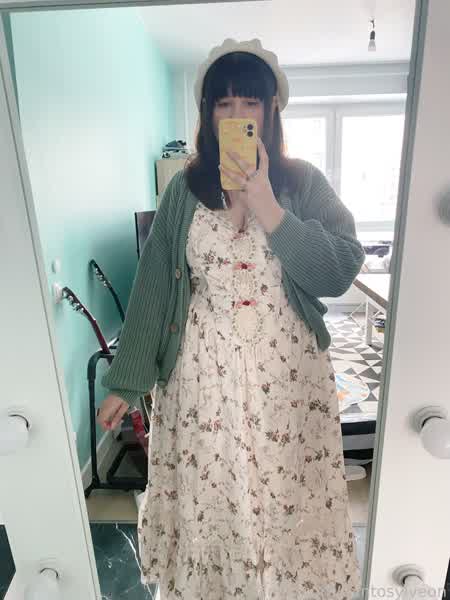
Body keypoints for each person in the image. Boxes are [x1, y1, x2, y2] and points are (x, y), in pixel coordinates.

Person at [98, 38, 365, 600]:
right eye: (224, 103)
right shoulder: (183, 190)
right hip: (201, 379)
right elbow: (153, 285)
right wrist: (127, 379)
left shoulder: (304, 182)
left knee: (286, 493)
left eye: (250, 102)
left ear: (271, 110)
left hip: (287, 380)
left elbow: (339, 269)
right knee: (214, 495)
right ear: (208, 112)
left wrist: (268, 204)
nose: (237, 114)